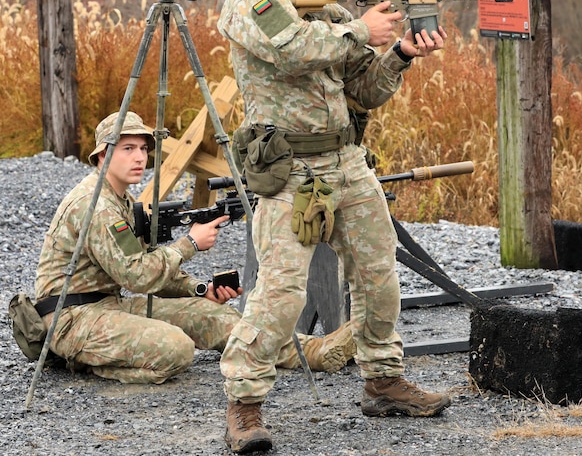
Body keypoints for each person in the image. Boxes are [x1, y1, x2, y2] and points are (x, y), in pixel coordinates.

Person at [217, 0, 452, 454]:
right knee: (280, 294)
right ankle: (244, 404)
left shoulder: (335, 12)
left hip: (347, 161)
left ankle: (383, 381)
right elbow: (291, 48)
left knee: (378, 278)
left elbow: (363, 92)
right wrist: (360, 30)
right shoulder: (251, 0)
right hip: (291, 170)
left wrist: (400, 55)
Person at [34, 110, 356, 384]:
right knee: (176, 349)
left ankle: (312, 352)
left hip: (106, 306)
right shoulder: (96, 205)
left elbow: (145, 262)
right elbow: (139, 277)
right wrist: (189, 244)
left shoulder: (120, 198)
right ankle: (85, 360)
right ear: (103, 155)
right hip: (71, 318)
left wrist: (200, 289)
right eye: (127, 148)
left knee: (212, 315)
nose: (138, 157)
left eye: (143, 149)